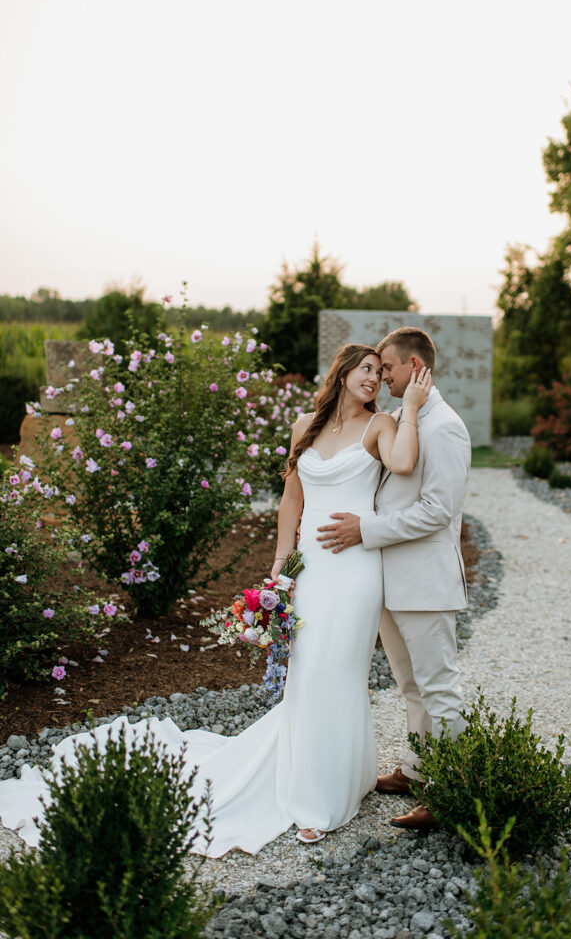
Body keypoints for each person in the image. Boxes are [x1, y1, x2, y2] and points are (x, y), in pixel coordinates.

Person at [0, 343, 430, 856]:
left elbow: (403, 464)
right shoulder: (304, 428)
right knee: (306, 671)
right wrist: (279, 565)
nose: (373, 381)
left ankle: (324, 796)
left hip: (357, 570)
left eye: (380, 376)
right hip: (311, 571)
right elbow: (292, 501)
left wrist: (411, 410)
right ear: (341, 373)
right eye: (365, 370)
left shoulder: (381, 425)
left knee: (336, 670)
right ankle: (325, 778)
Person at [316, 326, 471, 830]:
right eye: (376, 368)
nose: (381, 376)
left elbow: (437, 511)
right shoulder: (406, 419)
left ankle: (450, 793)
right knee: (410, 686)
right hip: (390, 581)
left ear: (416, 367)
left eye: (388, 367)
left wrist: (367, 528)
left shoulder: (443, 426)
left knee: (438, 687)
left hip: (425, 583)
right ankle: (417, 770)